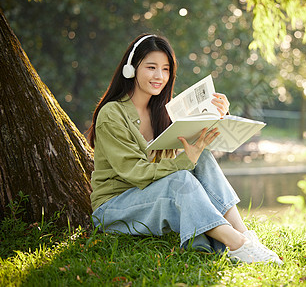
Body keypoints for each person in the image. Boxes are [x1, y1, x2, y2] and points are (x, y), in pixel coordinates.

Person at [86, 33, 283, 265]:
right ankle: (237, 244)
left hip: (152, 195)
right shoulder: (112, 114)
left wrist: (219, 115)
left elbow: (199, 148)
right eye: (151, 67)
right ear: (131, 69)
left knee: (203, 157)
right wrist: (183, 162)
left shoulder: (163, 111)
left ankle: (245, 236)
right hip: (115, 207)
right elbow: (135, 173)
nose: (159, 76)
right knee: (181, 178)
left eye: (166, 69)